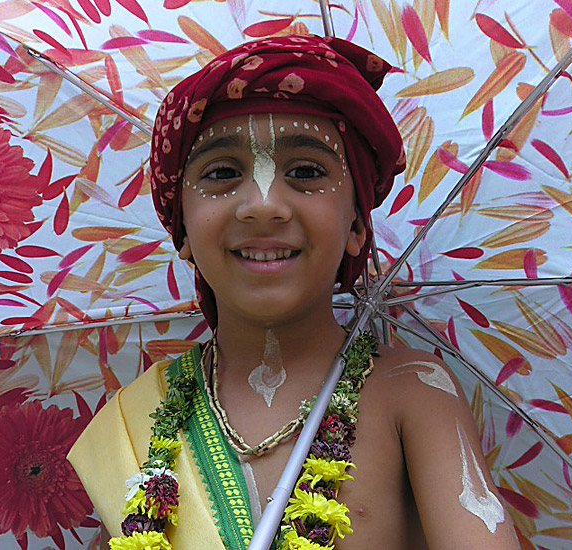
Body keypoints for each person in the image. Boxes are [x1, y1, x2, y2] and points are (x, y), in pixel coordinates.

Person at [68, 35, 520, 550]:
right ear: (183, 230)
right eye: (222, 174)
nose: (263, 205)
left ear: (356, 226)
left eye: (305, 172)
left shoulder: (413, 391)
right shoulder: (135, 423)